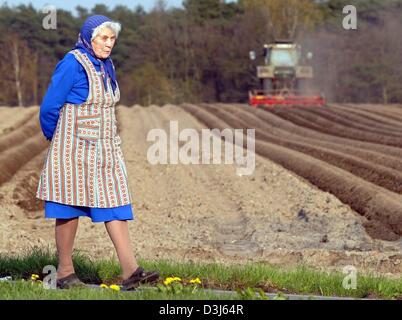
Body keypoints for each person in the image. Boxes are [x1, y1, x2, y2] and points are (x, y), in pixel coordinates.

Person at [36, 15, 159, 290]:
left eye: (112, 39)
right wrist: (54, 139)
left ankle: (131, 271)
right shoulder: (72, 63)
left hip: (104, 150)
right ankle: (65, 273)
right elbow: (49, 107)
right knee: (67, 208)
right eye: (103, 38)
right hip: (73, 150)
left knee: (116, 203)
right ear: (89, 38)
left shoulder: (106, 65)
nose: (108, 44)